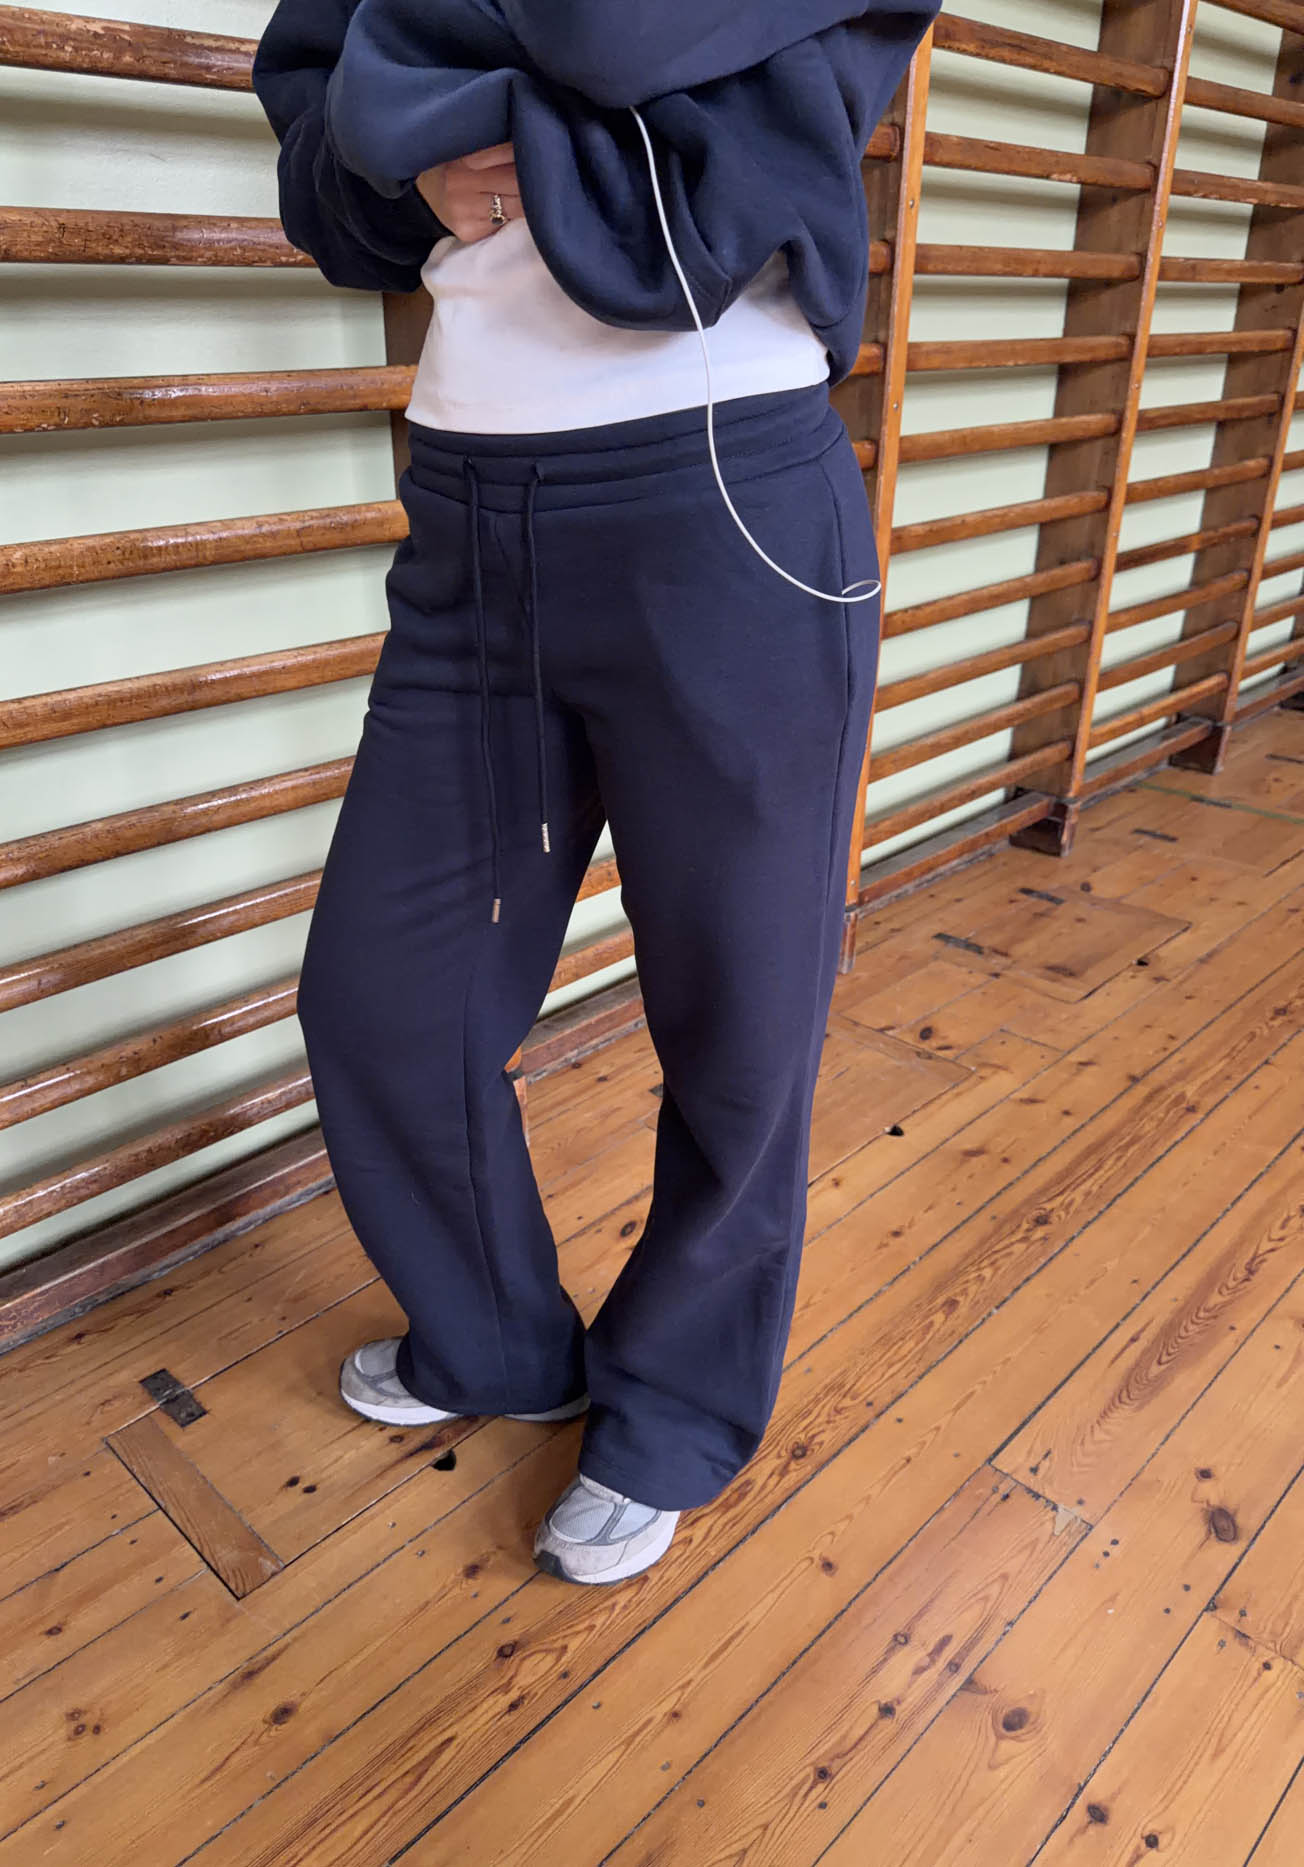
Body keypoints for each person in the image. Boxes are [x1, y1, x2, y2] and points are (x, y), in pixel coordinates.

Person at [252, 0, 938, 1585]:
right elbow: (319, 145)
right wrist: (404, 155)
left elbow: (611, 27)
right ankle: (499, 1340)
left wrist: (417, 87)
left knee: (740, 1023)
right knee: (381, 1002)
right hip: (465, 510)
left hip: (723, 495)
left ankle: (679, 1406)